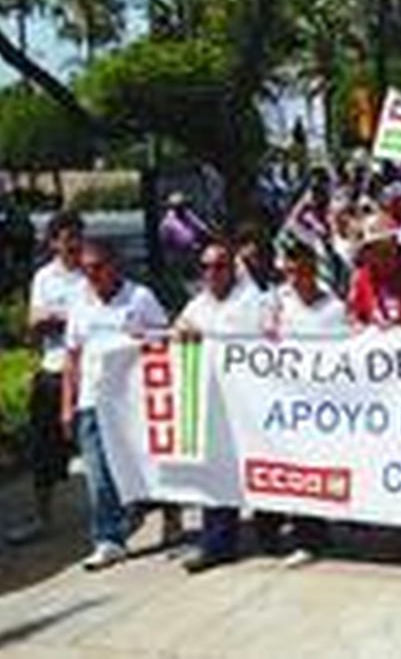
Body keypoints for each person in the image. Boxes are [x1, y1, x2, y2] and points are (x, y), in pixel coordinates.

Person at [62, 238, 170, 571]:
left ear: (114, 265)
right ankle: (109, 539)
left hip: (135, 402)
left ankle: (172, 514)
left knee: (149, 466)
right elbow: (72, 356)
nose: (91, 275)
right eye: (85, 269)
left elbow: (165, 341)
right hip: (93, 400)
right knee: (98, 474)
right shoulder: (80, 303)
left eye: (97, 267)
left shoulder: (140, 298)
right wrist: (67, 405)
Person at [174, 238, 273, 573]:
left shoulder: (252, 302)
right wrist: (180, 333)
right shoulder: (196, 306)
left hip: (250, 404)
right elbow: (176, 335)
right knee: (215, 473)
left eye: (218, 266)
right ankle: (217, 544)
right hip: (211, 403)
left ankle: (272, 534)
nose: (211, 273)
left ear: (232, 268)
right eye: (205, 267)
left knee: (263, 467)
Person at [262, 241, 349, 568]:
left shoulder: (333, 308)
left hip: (324, 403)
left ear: (315, 270)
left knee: (319, 467)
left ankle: (318, 532)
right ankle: (305, 537)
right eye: (291, 272)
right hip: (287, 401)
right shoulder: (276, 304)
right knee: (294, 467)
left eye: (303, 271)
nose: (297, 278)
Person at [6, 211, 87, 546]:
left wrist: (61, 319)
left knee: (100, 447)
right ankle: (42, 516)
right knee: (43, 449)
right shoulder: (45, 277)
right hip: (53, 370)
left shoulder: (91, 271)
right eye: (66, 238)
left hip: (89, 373)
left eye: (77, 236)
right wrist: (73, 318)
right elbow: (35, 321)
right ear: (53, 242)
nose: (73, 244)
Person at [348, 214, 401, 328]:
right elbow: (356, 315)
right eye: (376, 250)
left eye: (387, 249)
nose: (383, 256)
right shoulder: (361, 278)